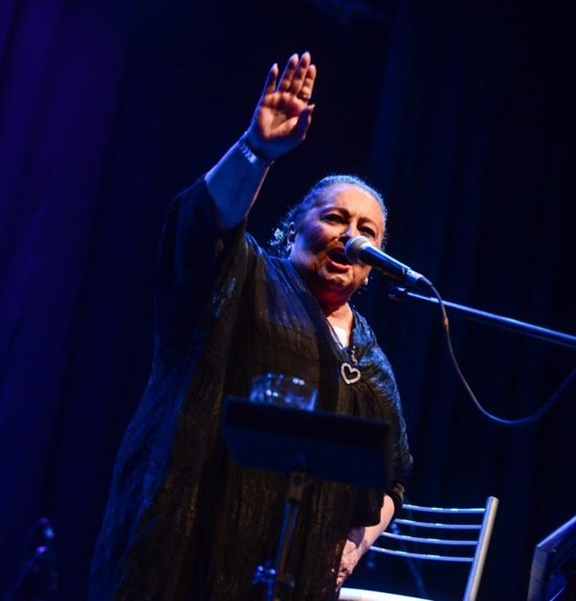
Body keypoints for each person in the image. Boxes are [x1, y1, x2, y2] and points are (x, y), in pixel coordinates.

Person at [89, 51, 413, 600]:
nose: (350, 235)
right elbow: (202, 228)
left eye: (368, 231)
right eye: (335, 217)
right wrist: (255, 152)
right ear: (294, 227)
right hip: (187, 549)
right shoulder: (245, 276)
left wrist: (352, 548)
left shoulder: (371, 359)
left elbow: (394, 476)